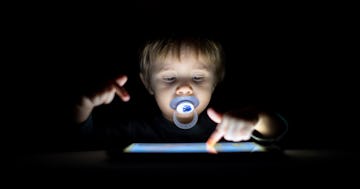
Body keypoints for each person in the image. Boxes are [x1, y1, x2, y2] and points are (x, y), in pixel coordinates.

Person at [71, 35, 288, 152]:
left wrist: (257, 119)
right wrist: (83, 105)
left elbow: (277, 133)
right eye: (169, 78)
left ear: (214, 83)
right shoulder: (133, 130)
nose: (184, 88)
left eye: (197, 78)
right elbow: (82, 144)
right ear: (148, 84)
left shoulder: (227, 128)